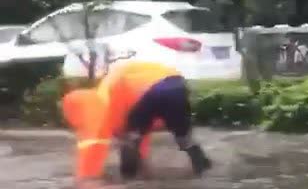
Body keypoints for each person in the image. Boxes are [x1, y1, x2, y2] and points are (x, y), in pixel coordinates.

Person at [62, 60, 212, 180]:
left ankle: (128, 178)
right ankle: (204, 170)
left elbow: (96, 142)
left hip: (154, 90)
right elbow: (141, 125)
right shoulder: (121, 82)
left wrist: (87, 177)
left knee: (130, 137)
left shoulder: (104, 97)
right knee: (184, 137)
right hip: (178, 86)